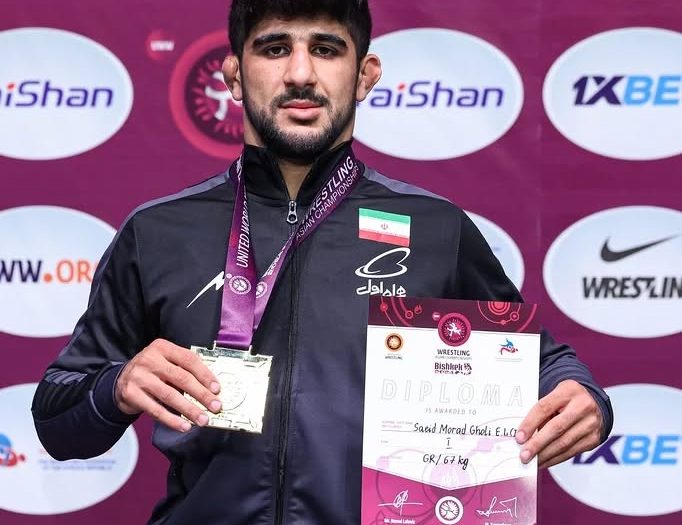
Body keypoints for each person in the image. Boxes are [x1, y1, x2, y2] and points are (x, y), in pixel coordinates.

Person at [32, 1, 613, 524]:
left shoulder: (435, 228)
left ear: (365, 76)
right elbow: (57, 424)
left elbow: (538, 361)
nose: (300, 74)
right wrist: (115, 386)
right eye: (274, 48)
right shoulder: (159, 231)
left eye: (327, 49)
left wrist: (584, 397)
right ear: (233, 75)